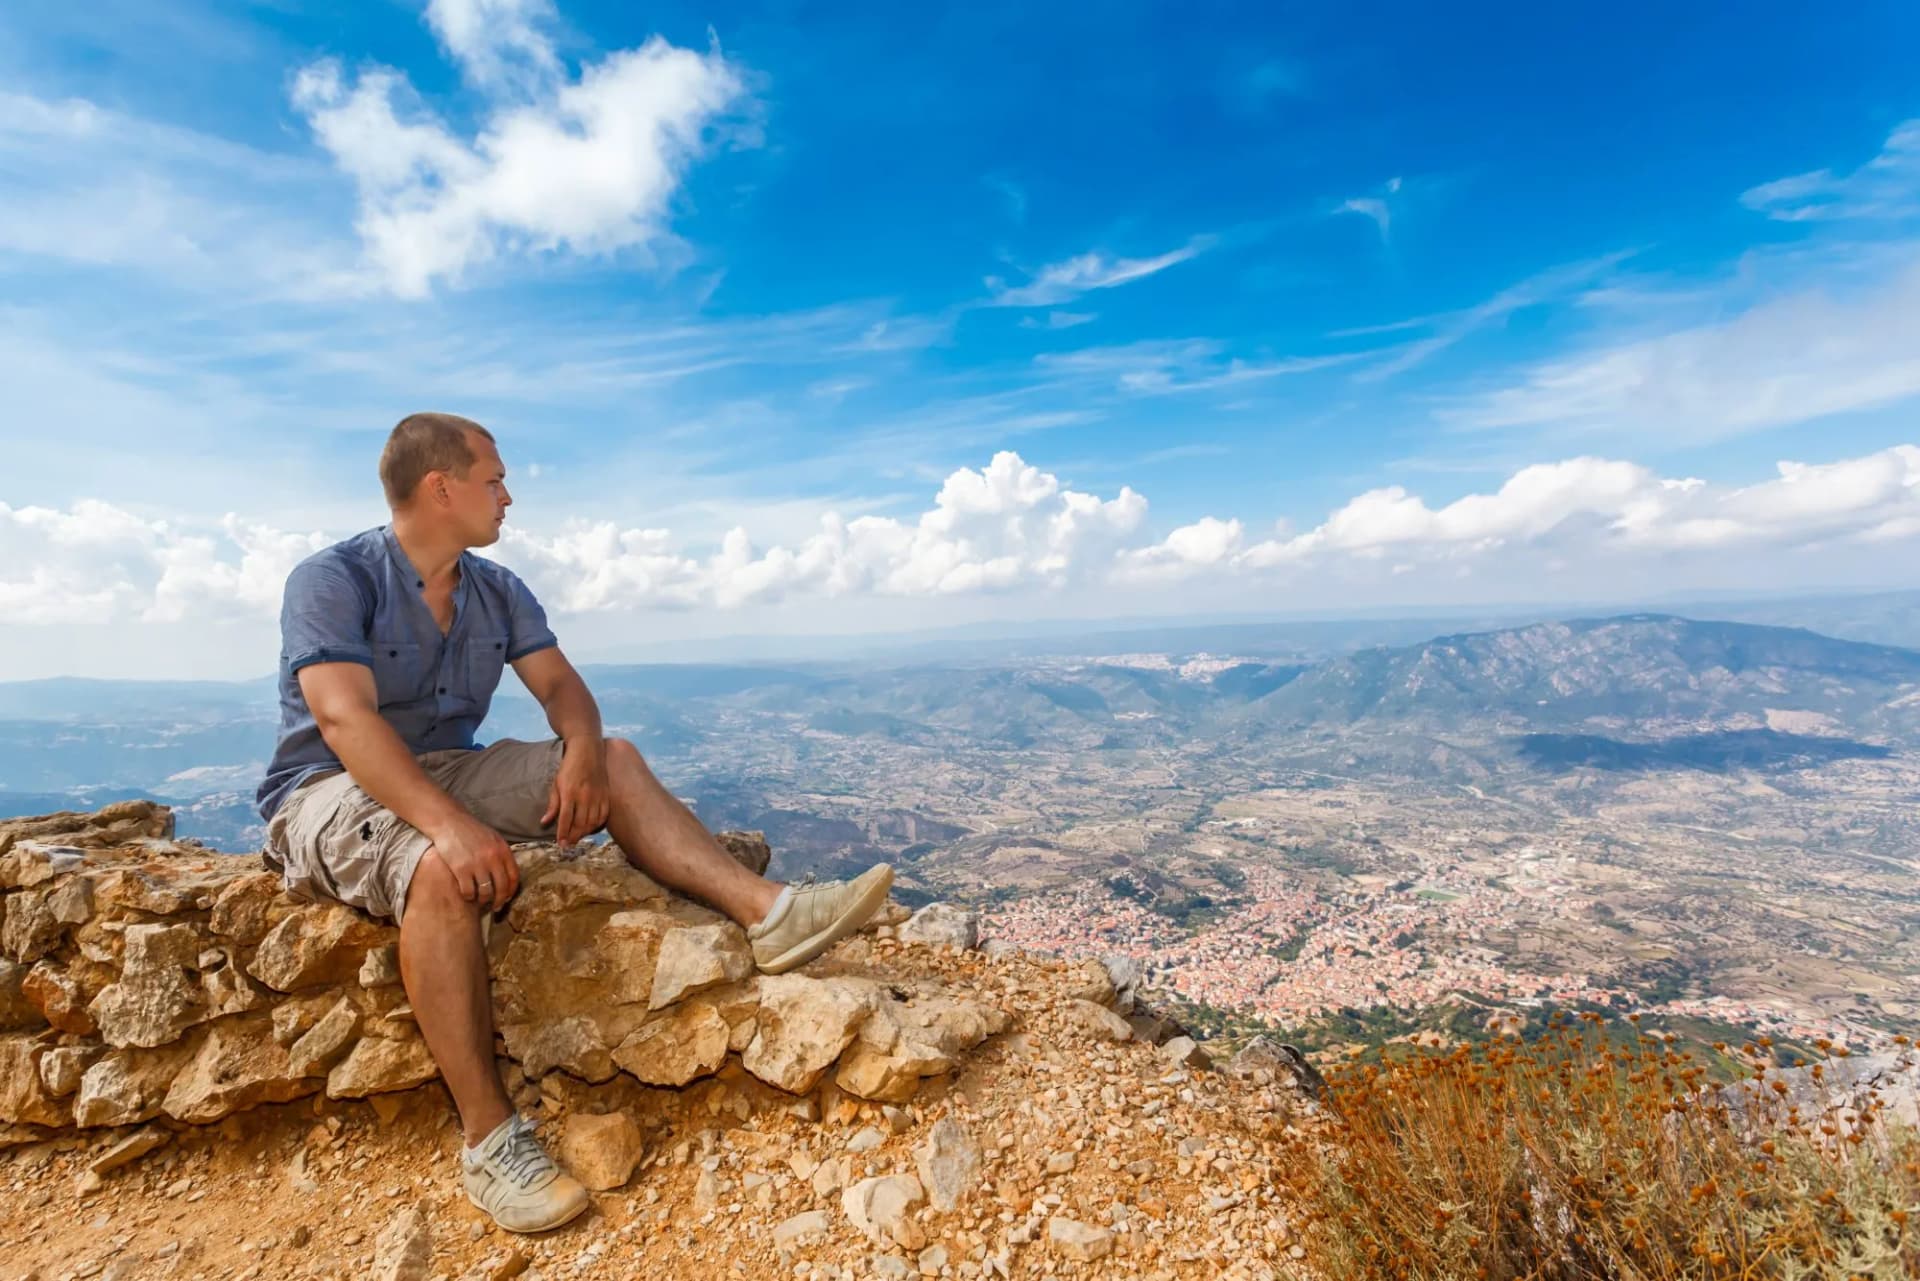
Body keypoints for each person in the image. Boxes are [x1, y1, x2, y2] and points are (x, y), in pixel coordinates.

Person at [254, 412, 893, 1233]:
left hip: (447, 765)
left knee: (617, 757)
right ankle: (489, 1140)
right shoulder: (334, 578)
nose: (508, 496)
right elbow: (343, 720)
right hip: (329, 786)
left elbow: (564, 692)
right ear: (439, 487)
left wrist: (584, 751)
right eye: (494, 479)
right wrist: (448, 825)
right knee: (441, 870)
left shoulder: (497, 587)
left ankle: (766, 913)